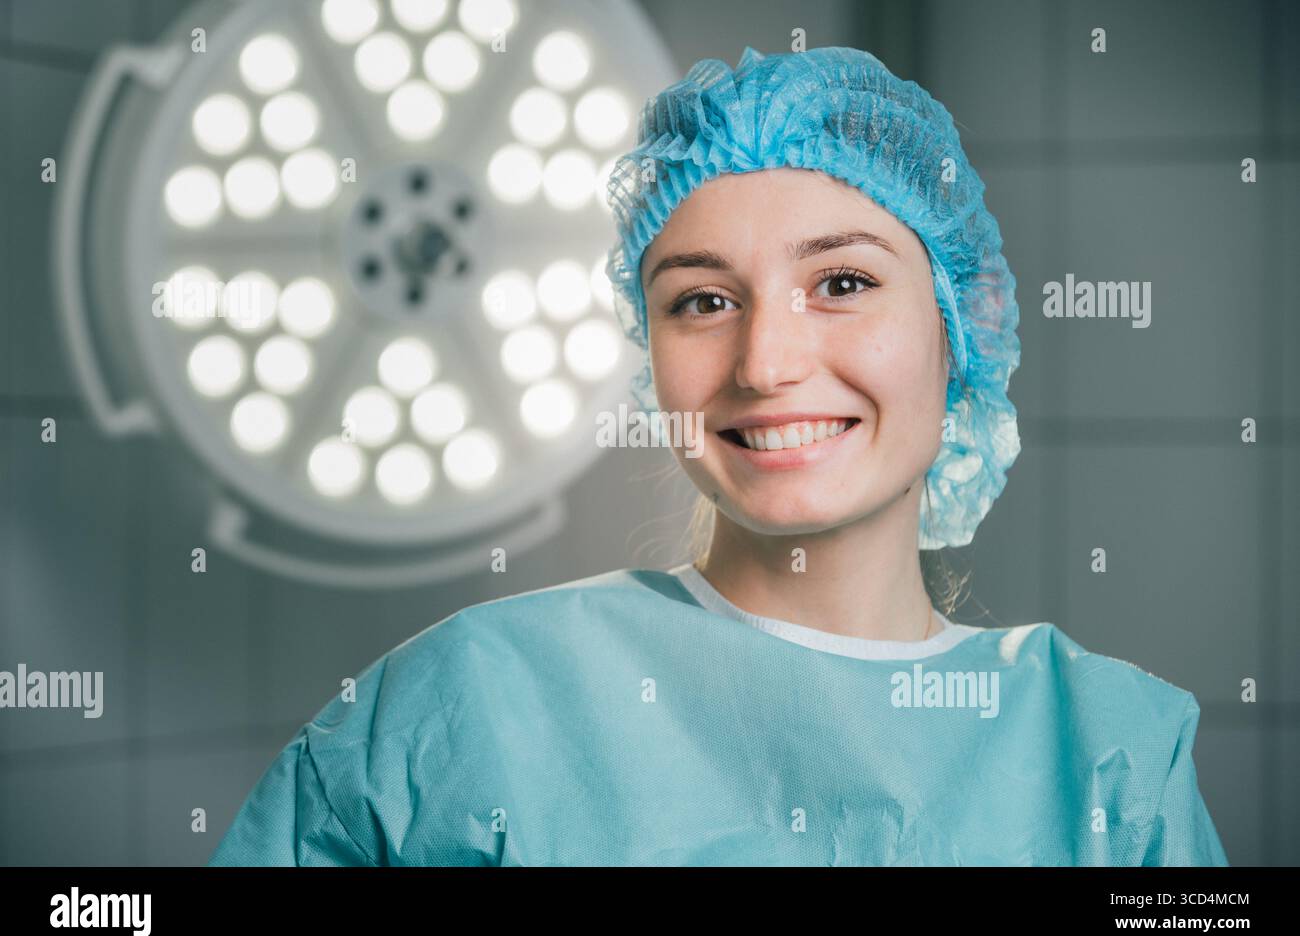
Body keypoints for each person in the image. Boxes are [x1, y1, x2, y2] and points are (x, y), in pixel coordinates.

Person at [208, 46, 1228, 866]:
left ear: (964, 326)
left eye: (840, 283)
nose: (766, 363)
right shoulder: (464, 707)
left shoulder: (1103, 756)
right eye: (702, 301)